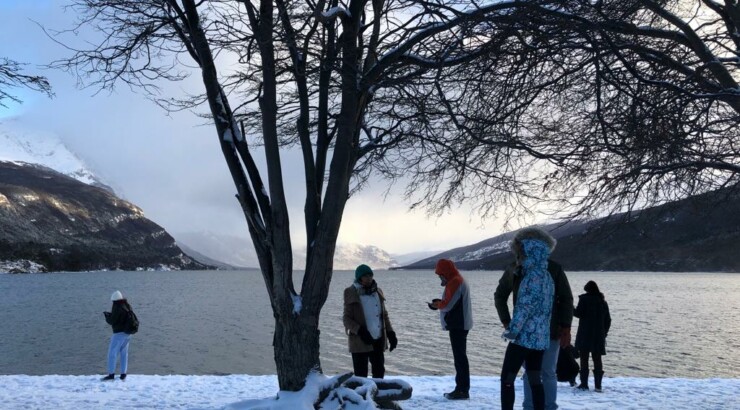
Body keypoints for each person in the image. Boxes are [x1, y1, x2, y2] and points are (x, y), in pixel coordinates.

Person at [494, 227, 574, 410]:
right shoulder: (542, 272)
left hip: (528, 335)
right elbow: (500, 295)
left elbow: (527, 306)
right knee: (535, 375)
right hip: (543, 335)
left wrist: (511, 328)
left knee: (512, 377)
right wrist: (505, 319)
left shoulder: (538, 273)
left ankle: (543, 407)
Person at [427, 258, 473, 400]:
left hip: (459, 325)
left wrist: (437, 305)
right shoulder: (455, 280)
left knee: (460, 358)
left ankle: (462, 389)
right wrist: (439, 303)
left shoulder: (455, 281)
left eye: (440, 274)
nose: (439, 277)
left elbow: (448, 305)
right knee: (460, 357)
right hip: (459, 324)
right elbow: (450, 301)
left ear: (445, 272)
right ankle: (462, 388)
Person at [343, 264, 397, 379]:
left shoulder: (378, 292)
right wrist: (360, 331)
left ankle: (376, 397)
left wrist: (391, 333)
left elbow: (384, 315)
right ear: (359, 278)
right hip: (359, 341)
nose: (368, 278)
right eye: (365, 276)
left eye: (370, 275)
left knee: (379, 374)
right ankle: (362, 397)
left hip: (377, 340)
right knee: (361, 377)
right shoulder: (351, 292)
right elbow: (346, 319)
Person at [574, 280, 611, 392]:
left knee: (584, 359)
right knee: (597, 360)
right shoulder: (602, 301)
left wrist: (570, 308)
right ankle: (598, 386)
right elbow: (608, 320)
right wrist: (604, 333)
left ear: (587, 289)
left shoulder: (584, 299)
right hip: (598, 336)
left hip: (585, 334)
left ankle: (584, 384)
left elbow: (578, 314)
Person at [102, 290, 134, 381]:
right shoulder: (127, 306)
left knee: (112, 353)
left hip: (119, 334)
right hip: (128, 333)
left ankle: (111, 374)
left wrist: (107, 316)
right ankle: (123, 374)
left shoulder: (117, 307)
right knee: (124, 353)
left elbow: (112, 321)